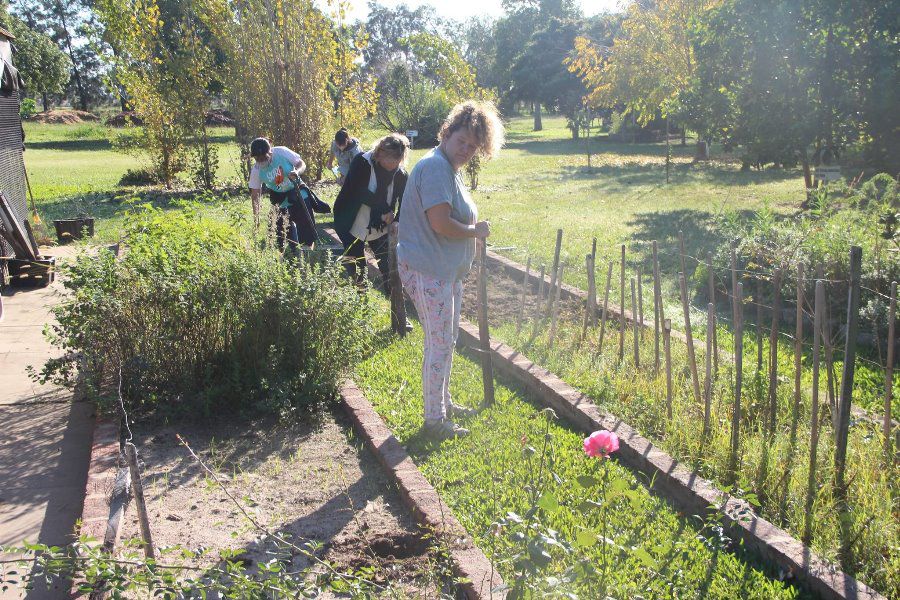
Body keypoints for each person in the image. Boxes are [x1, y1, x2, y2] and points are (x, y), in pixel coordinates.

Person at [396, 100, 504, 440]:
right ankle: (434, 422)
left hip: (443, 270)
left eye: (473, 147)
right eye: (462, 141)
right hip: (428, 269)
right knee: (440, 344)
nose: (466, 150)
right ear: (448, 132)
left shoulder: (448, 168)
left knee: (446, 340)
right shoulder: (436, 169)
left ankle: (443, 403)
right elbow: (441, 223)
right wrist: (475, 232)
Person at [333, 133, 410, 290]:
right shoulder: (361, 162)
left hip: (379, 224)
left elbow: (406, 201)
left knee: (388, 263)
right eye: (390, 161)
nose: (393, 166)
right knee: (356, 263)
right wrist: (384, 209)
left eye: (397, 162)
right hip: (350, 219)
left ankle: (393, 295)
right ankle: (361, 298)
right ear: (380, 153)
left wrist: (397, 220)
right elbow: (358, 191)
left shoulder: (401, 174)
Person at [248, 137, 316, 250]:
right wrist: (257, 218)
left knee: (307, 234)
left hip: (298, 192)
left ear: (269, 152)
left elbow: (301, 163)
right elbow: (255, 195)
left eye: (263, 157)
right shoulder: (256, 170)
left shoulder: (281, 152)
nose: (261, 161)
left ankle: (309, 257)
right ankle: (292, 257)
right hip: (280, 199)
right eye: (257, 158)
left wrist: (297, 171)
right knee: (283, 237)